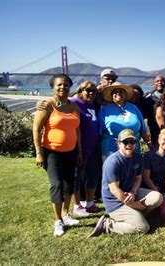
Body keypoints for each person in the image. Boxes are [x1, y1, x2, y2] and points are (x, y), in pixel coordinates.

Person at [88, 129, 163, 237]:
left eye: (132, 142)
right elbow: (115, 189)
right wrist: (134, 204)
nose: (129, 145)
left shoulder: (137, 157)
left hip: (130, 193)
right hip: (115, 202)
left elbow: (138, 178)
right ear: (118, 144)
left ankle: (136, 215)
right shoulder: (113, 162)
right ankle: (107, 225)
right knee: (143, 228)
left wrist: (133, 192)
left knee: (157, 197)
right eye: (125, 142)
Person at [32, 74, 82, 237]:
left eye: (66, 85)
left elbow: (77, 130)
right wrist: (39, 153)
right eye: (59, 85)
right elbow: (36, 129)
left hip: (71, 151)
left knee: (69, 185)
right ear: (53, 87)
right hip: (52, 152)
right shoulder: (47, 105)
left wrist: (79, 151)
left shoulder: (74, 107)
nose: (63, 87)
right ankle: (57, 221)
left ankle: (66, 215)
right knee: (57, 185)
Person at [70, 81, 101, 216]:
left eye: (94, 91)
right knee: (77, 178)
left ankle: (89, 202)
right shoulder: (74, 103)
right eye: (88, 90)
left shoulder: (92, 105)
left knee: (93, 175)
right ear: (80, 90)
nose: (91, 93)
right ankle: (76, 205)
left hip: (92, 148)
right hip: (79, 148)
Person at [98, 82, 152, 161]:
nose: (118, 93)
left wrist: (149, 143)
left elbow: (143, 129)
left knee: (134, 172)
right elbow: (99, 133)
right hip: (111, 150)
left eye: (121, 91)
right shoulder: (104, 110)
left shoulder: (134, 108)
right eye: (115, 92)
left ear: (125, 94)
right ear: (111, 95)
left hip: (133, 149)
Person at [144, 75, 165, 143]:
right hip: (154, 128)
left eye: (162, 81)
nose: (159, 82)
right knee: (156, 148)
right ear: (154, 83)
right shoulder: (148, 97)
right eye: (157, 81)